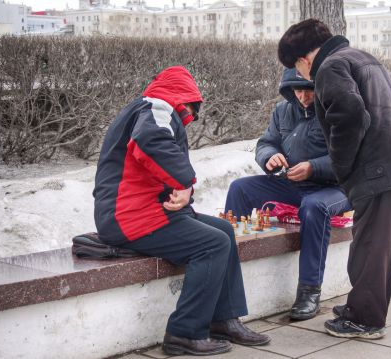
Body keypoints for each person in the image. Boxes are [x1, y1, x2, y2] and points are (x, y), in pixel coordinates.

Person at [93, 66, 270, 356]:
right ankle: (184, 333)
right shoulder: (157, 106)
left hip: (145, 210)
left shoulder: (151, 108)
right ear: (183, 97)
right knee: (213, 244)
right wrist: (185, 182)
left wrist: (182, 190)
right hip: (128, 217)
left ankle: (223, 319)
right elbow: (150, 142)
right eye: (191, 107)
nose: (191, 115)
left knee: (223, 230)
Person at [277, 19, 391, 339]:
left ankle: (364, 319)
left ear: (303, 59)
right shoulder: (359, 57)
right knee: (381, 246)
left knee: (370, 246)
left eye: (297, 69)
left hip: (378, 168)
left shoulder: (329, 67)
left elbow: (350, 117)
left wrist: (342, 168)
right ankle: (362, 307)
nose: (302, 78)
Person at [225, 68, 351, 320]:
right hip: (292, 183)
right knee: (240, 188)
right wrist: (269, 157)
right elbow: (266, 143)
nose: (303, 96)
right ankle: (227, 278)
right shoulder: (283, 111)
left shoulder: (336, 112)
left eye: (309, 90)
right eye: (298, 90)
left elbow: (348, 156)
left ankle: (309, 292)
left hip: (334, 188)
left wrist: (314, 167)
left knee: (314, 207)